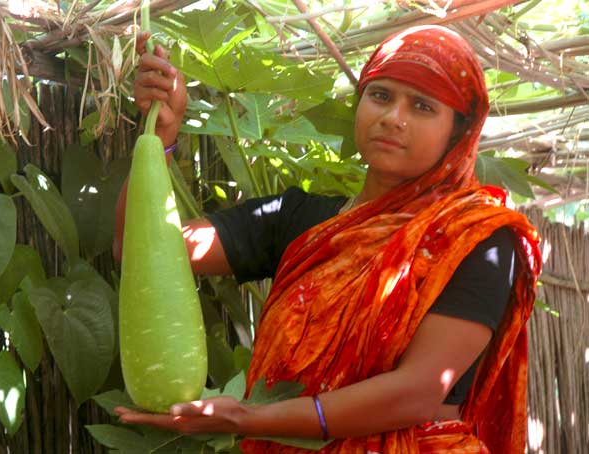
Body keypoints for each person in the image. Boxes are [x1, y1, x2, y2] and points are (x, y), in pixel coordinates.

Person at [112, 25, 541, 453]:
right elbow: (142, 252)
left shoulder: (476, 240)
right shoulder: (298, 219)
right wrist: (160, 139)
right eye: (381, 95)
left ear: (458, 133)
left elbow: (421, 390)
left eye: (423, 106)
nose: (393, 117)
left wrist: (249, 418)